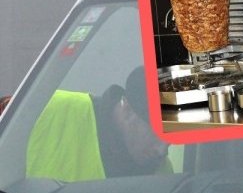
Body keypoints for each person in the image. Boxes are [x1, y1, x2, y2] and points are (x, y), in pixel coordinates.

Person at [26, 66, 170, 182]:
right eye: (156, 134)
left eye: (171, 141)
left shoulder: (165, 175)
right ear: (127, 109)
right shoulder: (43, 110)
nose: (162, 150)